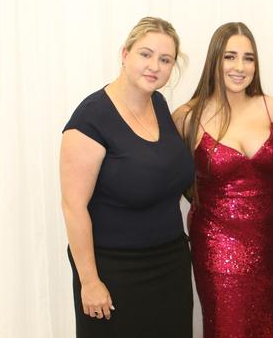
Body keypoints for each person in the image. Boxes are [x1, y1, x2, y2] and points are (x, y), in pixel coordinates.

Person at [60, 17, 194, 337]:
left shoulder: (159, 104)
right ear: (125, 53)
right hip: (116, 272)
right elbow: (73, 207)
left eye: (165, 60)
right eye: (145, 54)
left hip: (170, 264)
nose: (154, 66)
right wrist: (90, 282)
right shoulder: (90, 119)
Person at [173, 22, 273, 338]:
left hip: (271, 247)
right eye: (230, 57)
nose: (240, 67)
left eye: (249, 58)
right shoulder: (187, 115)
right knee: (227, 327)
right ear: (215, 59)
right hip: (216, 244)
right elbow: (174, 179)